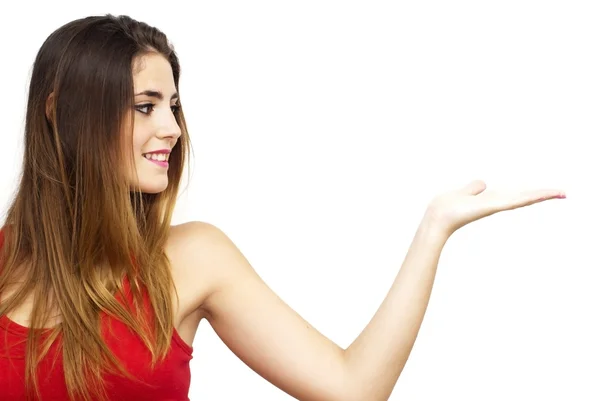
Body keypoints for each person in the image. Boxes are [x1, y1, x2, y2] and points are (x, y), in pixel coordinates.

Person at [0, 13, 566, 401]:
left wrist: (433, 229)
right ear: (59, 113)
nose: (172, 128)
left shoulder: (193, 259)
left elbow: (352, 387)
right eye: (144, 106)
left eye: (173, 104)